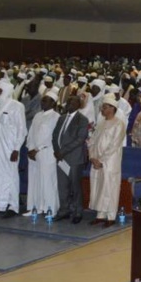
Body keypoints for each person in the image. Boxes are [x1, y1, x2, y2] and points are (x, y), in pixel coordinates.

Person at [0, 79, 28, 218]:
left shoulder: (16, 106)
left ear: (6, 91)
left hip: (9, 148)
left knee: (10, 175)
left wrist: (16, 148)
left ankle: (12, 206)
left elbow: (22, 129)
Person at [89, 96, 126, 227]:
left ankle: (111, 216)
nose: (102, 110)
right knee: (98, 186)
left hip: (110, 162)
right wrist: (92, 157)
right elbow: (92, 141)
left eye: (104, 107)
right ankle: (100, 215)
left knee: (110, 187)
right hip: (97, 160)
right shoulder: (101, 123)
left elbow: (114, 145)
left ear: (112, 108)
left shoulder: (119, 124)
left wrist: (101, 160)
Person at [52, 95, 90, 224]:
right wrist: (56, 150)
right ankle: (64, 210)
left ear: (78, 105)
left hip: (74, 158)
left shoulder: (82, 119)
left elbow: (80, 139)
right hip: (60, 157)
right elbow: (55, 135)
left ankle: (77, 212)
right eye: (68, 102)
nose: (68, 104)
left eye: (72, 102)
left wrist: (62, 151)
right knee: (62, 186)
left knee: (75, 187)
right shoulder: (61, 118)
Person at [25, 90, 60, 216]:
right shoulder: (37, 115)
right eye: (42, 100)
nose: (42, 102)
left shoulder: (55, 117)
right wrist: (30, 148)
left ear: (53, 103)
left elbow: (52, 137)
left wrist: (37, 149)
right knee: (35, 181)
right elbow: (31, 133)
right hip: (33, 153)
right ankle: (36, 207)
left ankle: (50, 209)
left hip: (47, 152)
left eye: (45, 100)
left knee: (48, 182)